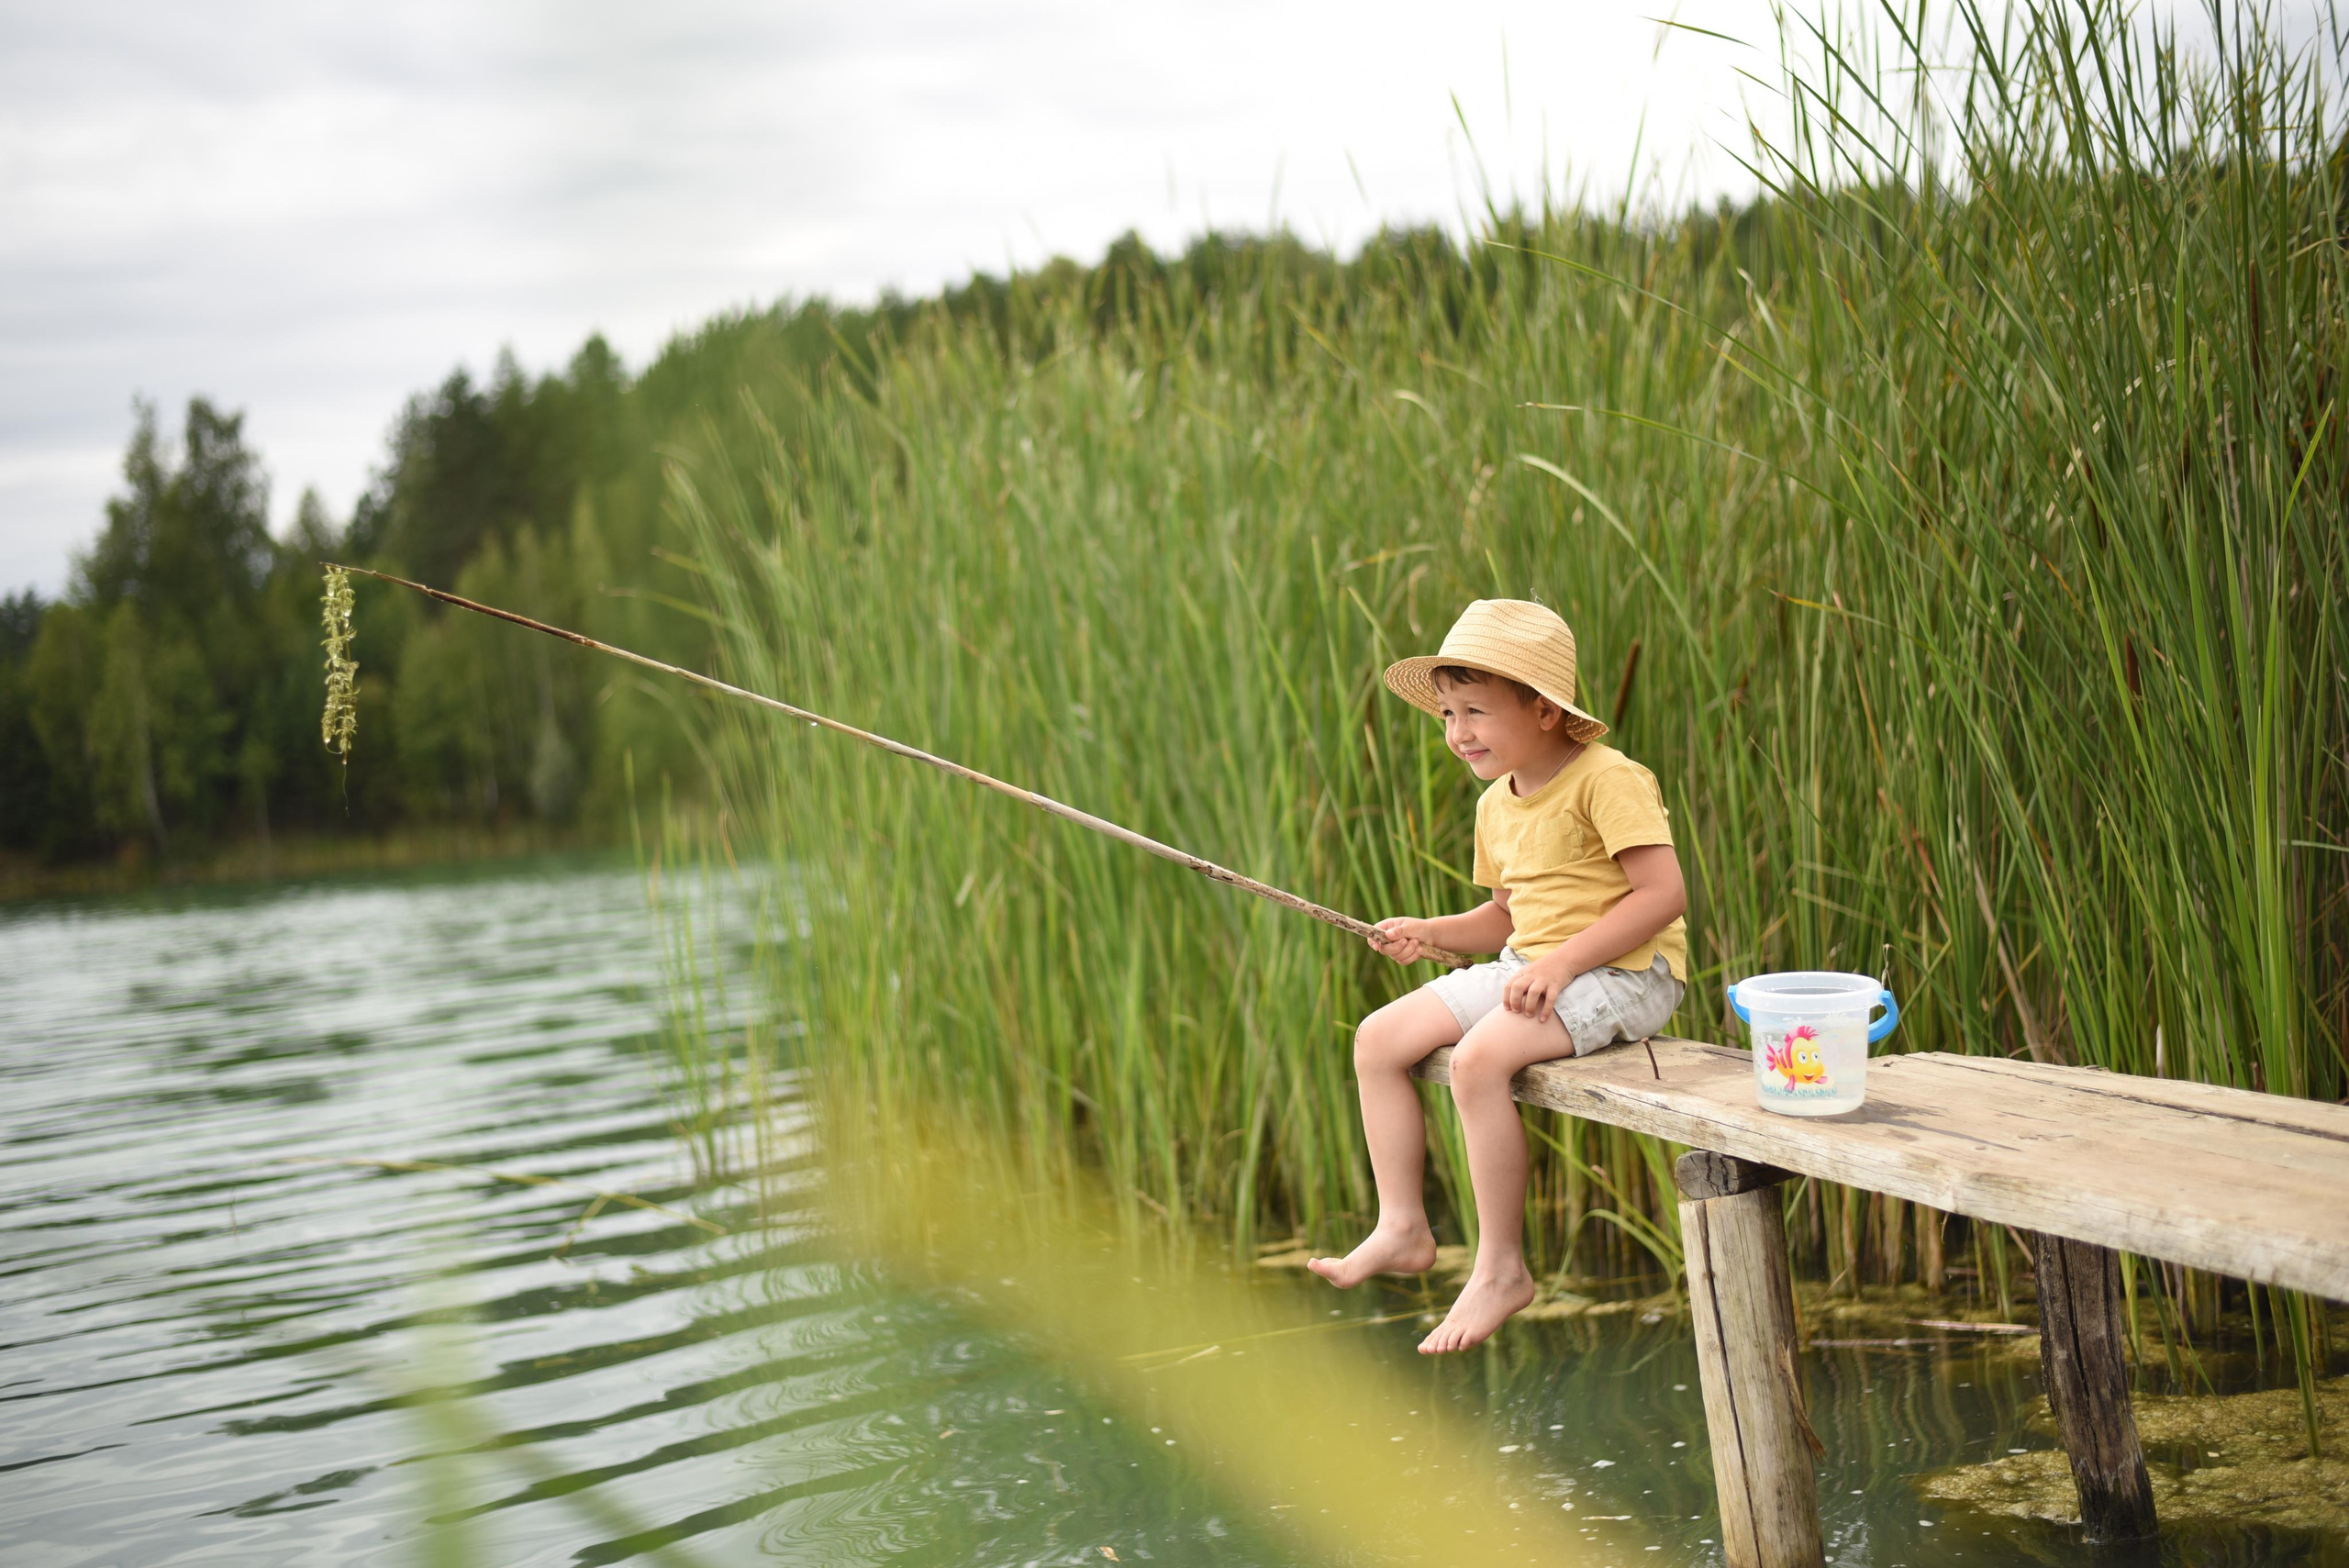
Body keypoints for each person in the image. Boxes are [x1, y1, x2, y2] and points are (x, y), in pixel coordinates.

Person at [1307, 599, 1688, 1353]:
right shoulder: (1496, 803)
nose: (1458, 733)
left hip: (1628, 971)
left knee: (1480, 1059)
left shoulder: (1605, 779)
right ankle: (1403, 1225)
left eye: (1475, 711)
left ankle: (1502, 1268)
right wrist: (1429, 932)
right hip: (1534, 966)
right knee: (1379, 1037)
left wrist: (1562, 961)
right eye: (1447, 713)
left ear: (1545, 710)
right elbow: (1506, 918)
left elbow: (1663, 896)